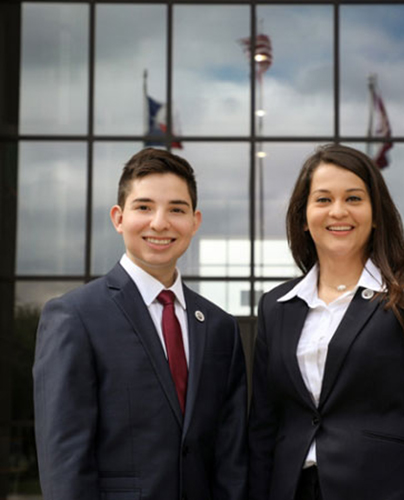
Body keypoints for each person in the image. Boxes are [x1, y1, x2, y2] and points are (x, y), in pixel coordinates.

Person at [248, 144, 404, 500]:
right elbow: (263, 427)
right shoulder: (277, 306)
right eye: (322, 200)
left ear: (375, 212)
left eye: (353, 198)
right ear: (303, 217)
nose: (338, 211)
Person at [33, 147, 248, 500]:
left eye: (176, 209)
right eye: (144, 207)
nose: (160, 222)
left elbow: (231, 454)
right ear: (118, 218)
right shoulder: (75, 317)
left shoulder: (219, 326)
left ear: (195, 222)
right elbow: (65, 457)